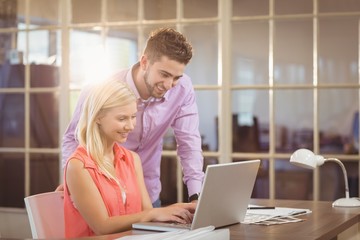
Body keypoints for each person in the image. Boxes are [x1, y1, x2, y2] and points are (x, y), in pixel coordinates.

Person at [61, 27, 204, 207]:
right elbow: (72, 138)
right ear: (144, 62)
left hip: (148, 193)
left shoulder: (182, 88)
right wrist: (71, 182)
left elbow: (189, 141)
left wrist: (196, 196)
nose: (169, 85)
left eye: (176, 77)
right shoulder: (100, 88)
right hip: (103, 194)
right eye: (164, 74)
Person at [64, 79, 196, 237]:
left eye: (133, 116)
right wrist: (153, 214)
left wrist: (175, 210)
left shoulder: (132, 159)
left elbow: (147, 212)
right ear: (98, 117)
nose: (130, 126)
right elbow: (102, 226)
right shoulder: (78, 165)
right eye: (122, 119)